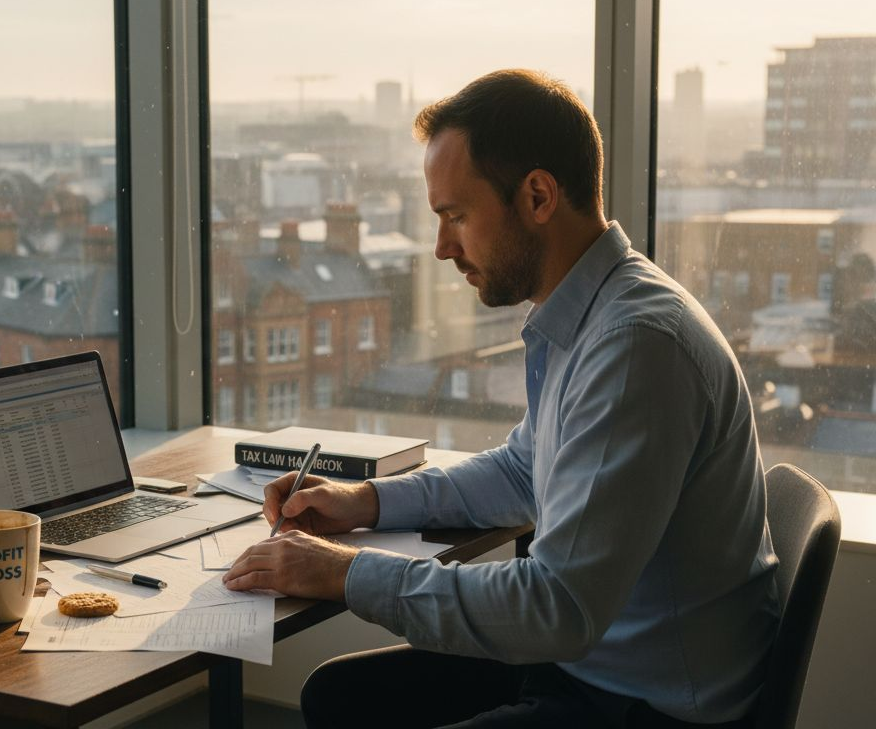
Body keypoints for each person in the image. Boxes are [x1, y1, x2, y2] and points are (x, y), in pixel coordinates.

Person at [222, 69, 779, 728]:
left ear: (538, 195)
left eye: (456, 216)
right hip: (595, 662)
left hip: (649, 706)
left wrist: (345, 574)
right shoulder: (590, 313)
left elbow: (557, 608)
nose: (440, 247)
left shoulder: (635, 348)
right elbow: (524, 469)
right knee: (335, 698)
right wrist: (364, 502)